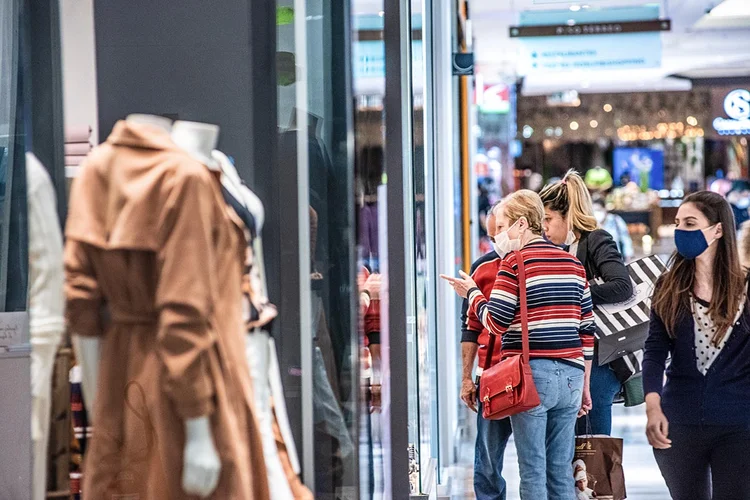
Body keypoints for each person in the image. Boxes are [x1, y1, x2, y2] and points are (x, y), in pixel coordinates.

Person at [443, 189, 595, 500]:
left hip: (531, 376)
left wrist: (472, 293)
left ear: (522, 224)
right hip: (571, 376)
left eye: (502, 227)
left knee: (533, 468)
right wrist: (585, 386)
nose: (498, 236)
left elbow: (495, 323)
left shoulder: (514, 262)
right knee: (560, 467)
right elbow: (587, 331)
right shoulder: (573, 263)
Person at [643, 191, 750, 500]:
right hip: (679, 420)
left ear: (717, 230)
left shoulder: (745, 287)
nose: (681, 231)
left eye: (691, 223)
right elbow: (654, 350)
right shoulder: (670, 286)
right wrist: (652, 406)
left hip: (738, 423)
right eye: (678, 223)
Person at [540, 171, 633, 437]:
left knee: (592, 443)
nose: (544, 227)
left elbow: (622, 286)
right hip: (566, 355)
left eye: (548, 219)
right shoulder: (553, 248)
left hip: (600, 356)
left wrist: (576, 297)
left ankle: (597, 481)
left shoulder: (595, 239)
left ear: (568, 215)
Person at [459, 202, 512, 499]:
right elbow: (469, 327)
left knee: (540, 462)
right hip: (492, 377)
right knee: (488, 461)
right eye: (492, 236)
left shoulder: (538, 263)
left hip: (536, 372)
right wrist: (467, 377)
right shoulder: (483, 267)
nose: (497, 240)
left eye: (500, 231)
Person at [592, 198, 634, 263]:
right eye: (594, 211)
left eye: (598, 210)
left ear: (604, 209)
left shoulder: (615, 220)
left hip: (617, 260)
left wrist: (628, 257)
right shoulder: (592, 224)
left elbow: (626, 239)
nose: (596, 213)